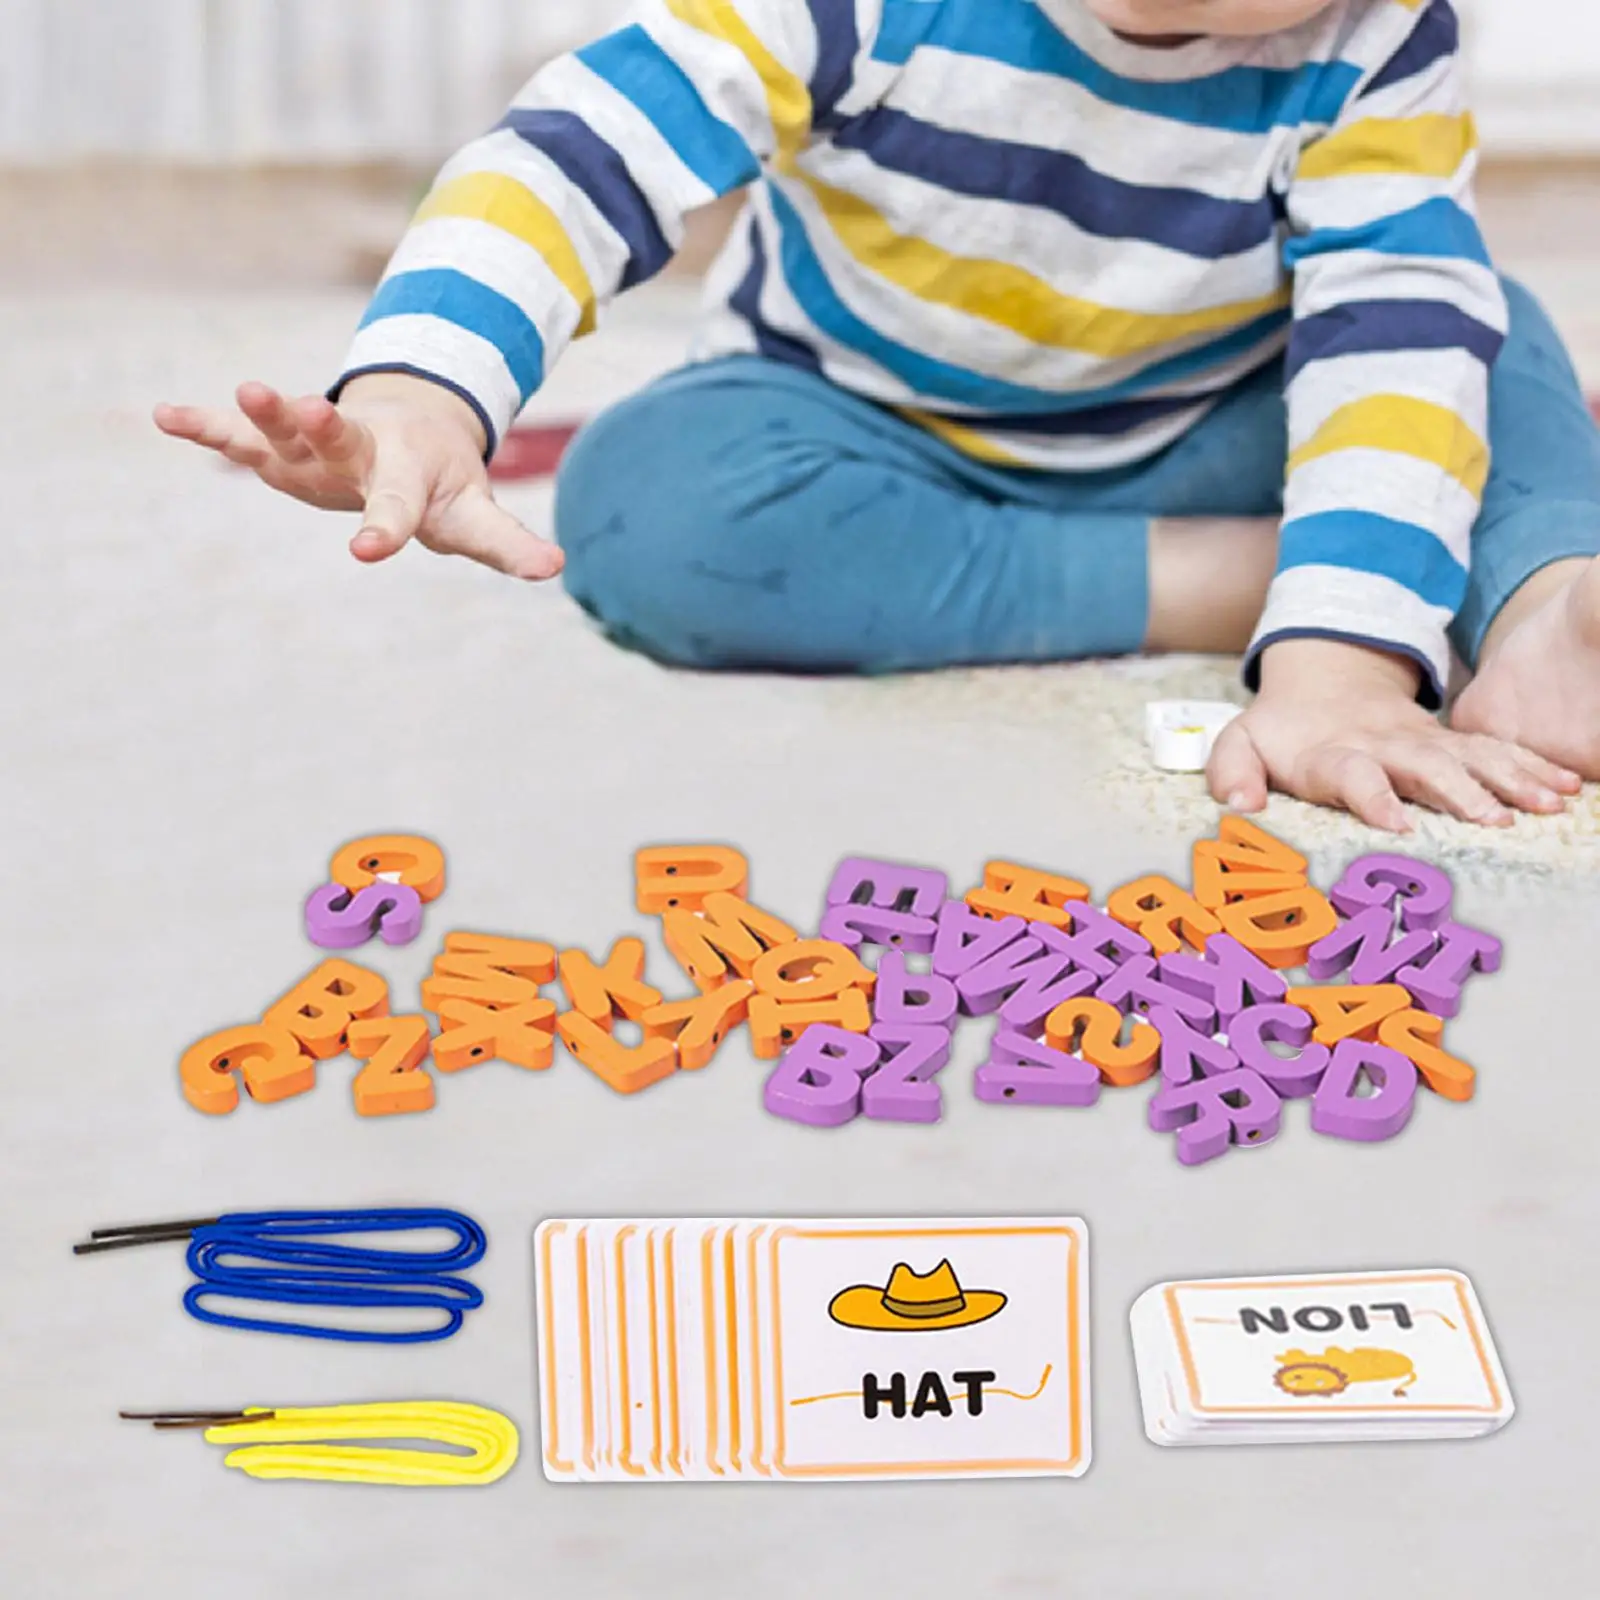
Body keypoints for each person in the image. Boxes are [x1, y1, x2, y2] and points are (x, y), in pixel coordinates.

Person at [155, 0, 1600, 831]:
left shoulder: (1379, 37)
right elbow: (580, 151)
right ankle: (1275, 580)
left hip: (1226, 413)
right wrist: (424, 384)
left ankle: (1539, 600)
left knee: (1473, 336)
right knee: (645, 513)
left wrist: (1343, 676)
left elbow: (1390, 339)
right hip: (865, 428)